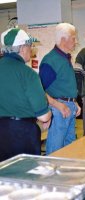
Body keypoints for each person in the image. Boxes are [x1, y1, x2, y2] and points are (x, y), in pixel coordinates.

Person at [0, 28, 52, 162]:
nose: (31, 49)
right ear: (22, 48)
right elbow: (43, 116)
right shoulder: (28, 74)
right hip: (22, 134)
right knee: (26, 177)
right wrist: (49, 115)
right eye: (30, 46)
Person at [39, 23, 81, 155]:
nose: (76, 42)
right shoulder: (50, 60)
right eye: (73, 38)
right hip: (58, 109)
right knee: (55, 150)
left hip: (69, 107)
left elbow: (64, 86)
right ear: (64, 39)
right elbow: (40, 91)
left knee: (69, 148)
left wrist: (74, 102)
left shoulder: (65, 58)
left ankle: (67, 175)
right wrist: (58, 105)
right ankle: (51, 176)